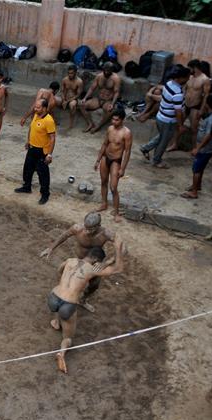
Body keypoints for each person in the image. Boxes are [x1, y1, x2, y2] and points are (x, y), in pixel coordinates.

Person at [48, 239, 125, 373]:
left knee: (59, 298)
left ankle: (56, 321)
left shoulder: (70, 260)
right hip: (68, 305)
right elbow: (119, 269)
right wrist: (118, 249)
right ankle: (61, 353)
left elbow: (59, 270)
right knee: (68, 338)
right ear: (96, 261)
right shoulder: (92, 269)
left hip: (53, 298)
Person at [40, 212, 116, 312]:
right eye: (86, 227)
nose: (87, 231)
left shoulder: (106, 234)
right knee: (70, 279)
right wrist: (51, 248)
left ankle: (83, 300)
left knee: (94, 285)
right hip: (79, 260)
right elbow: (64, 236)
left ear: (98, 226)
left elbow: (123, 249)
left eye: (91, 229)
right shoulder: (77, 228)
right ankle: (64, 297)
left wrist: (107, 263)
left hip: (94, 265)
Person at [140, 65, 190, 169]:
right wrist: (180, 125)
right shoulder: (178, 93)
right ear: (180, 78)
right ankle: (156, 160)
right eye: (186, 78)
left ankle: (146, 148)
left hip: (161, 117)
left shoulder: (169, 83)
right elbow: (178, 111)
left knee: (162, 136)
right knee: (164, 141)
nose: (187, 80)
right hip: (168, 120)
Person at [92, 107, 132, 222]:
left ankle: (116, 212)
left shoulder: (127, 133)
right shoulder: (110, 129)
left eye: (116, 120)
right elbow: (105, 144)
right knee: (103, 181)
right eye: (113, 119)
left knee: (113, 187)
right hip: (106, 157)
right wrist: (98, 160)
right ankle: (104, 203)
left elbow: (127, 152)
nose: (114, 122)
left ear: (122, 120)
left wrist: (123, 168)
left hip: (116, 160)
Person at [15, 99, 56, 205]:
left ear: (44, 108)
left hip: (42, 150)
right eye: (35, 107)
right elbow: (31, 128)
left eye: (38, 107)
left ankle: (45, 194)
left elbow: (52, 138)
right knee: (28, 168)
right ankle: (26, 187)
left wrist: (50, 154)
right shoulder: (36, 115)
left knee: (43, 173)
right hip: (32, 147)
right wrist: (28, 141)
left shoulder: (49, 120)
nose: (35, 109)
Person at [181, 94, 212, 200]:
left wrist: (197, 148)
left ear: (207, 104)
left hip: (205, 148)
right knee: (200, 168)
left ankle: (194, 192)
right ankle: (197, 186)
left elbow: (208, 135)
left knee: (196, 169)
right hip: (207, 147)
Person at [168, 59, 211, 152]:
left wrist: (202, 109)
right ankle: (174, 144)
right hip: (185, 104)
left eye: (190, 68)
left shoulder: (205, 79)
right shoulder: (189, 77)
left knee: (194, 129)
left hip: (196, 106)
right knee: (178, 125)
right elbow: (184, 89)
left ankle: (195, 148)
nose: (188, 70)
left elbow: (206, 96)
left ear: (194, 68)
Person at [79, 63, 121, 133]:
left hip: (108, 100)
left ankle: (98, 126)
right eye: (105, 70)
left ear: (112, 70)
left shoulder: (116, 78)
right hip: (98, 99)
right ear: (103, 69)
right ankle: (90, 123)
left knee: (110, 110)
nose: (106, 72)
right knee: (81, 105)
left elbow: (116, 92)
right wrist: (85, 98)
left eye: (108, 71)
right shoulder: (99, 76)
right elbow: (92, 88)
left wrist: (112, 104)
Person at [59, 65, 84, 130]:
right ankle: (52, 119)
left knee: (72, 105)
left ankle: (71, 123)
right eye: (69, 73)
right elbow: (62, 91)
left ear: (75, 73)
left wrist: (67, 101)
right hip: (64, 97)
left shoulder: (79, 82)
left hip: (73, 98)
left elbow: (78, 95)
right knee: (54, 100)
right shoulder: (64, 79)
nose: (70, 75)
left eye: (72, 73)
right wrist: (64, 99)